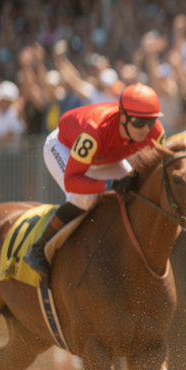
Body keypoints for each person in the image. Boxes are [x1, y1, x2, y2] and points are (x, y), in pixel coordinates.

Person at [25, 83, 165, 280]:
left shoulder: (156, 132)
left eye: (150, 122)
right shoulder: (94, 131)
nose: (145, 129)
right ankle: (39, 247)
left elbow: (160, 171)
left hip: (105, 156)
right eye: (138, 122)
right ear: (123, 117)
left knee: (137, 192)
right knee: (85, 198)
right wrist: (109, 184)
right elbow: (72, 181)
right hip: (64, 147)